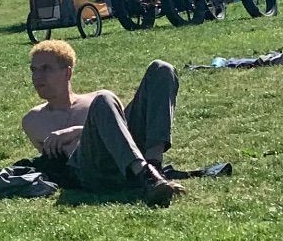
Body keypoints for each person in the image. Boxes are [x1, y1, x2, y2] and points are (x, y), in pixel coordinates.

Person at [21, 41, 183, 206]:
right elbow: (65, 159)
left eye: (46, 69)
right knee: (104, 98)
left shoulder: (98, 101)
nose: (37, 77)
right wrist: (82, 132)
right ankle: (146, 175)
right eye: (34, 70)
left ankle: (155, 168)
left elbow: (121, 132)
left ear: (67, 73)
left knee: (161, 68)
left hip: (127, 157)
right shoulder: (34, 119)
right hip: (93, 171)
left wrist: (75, 131)